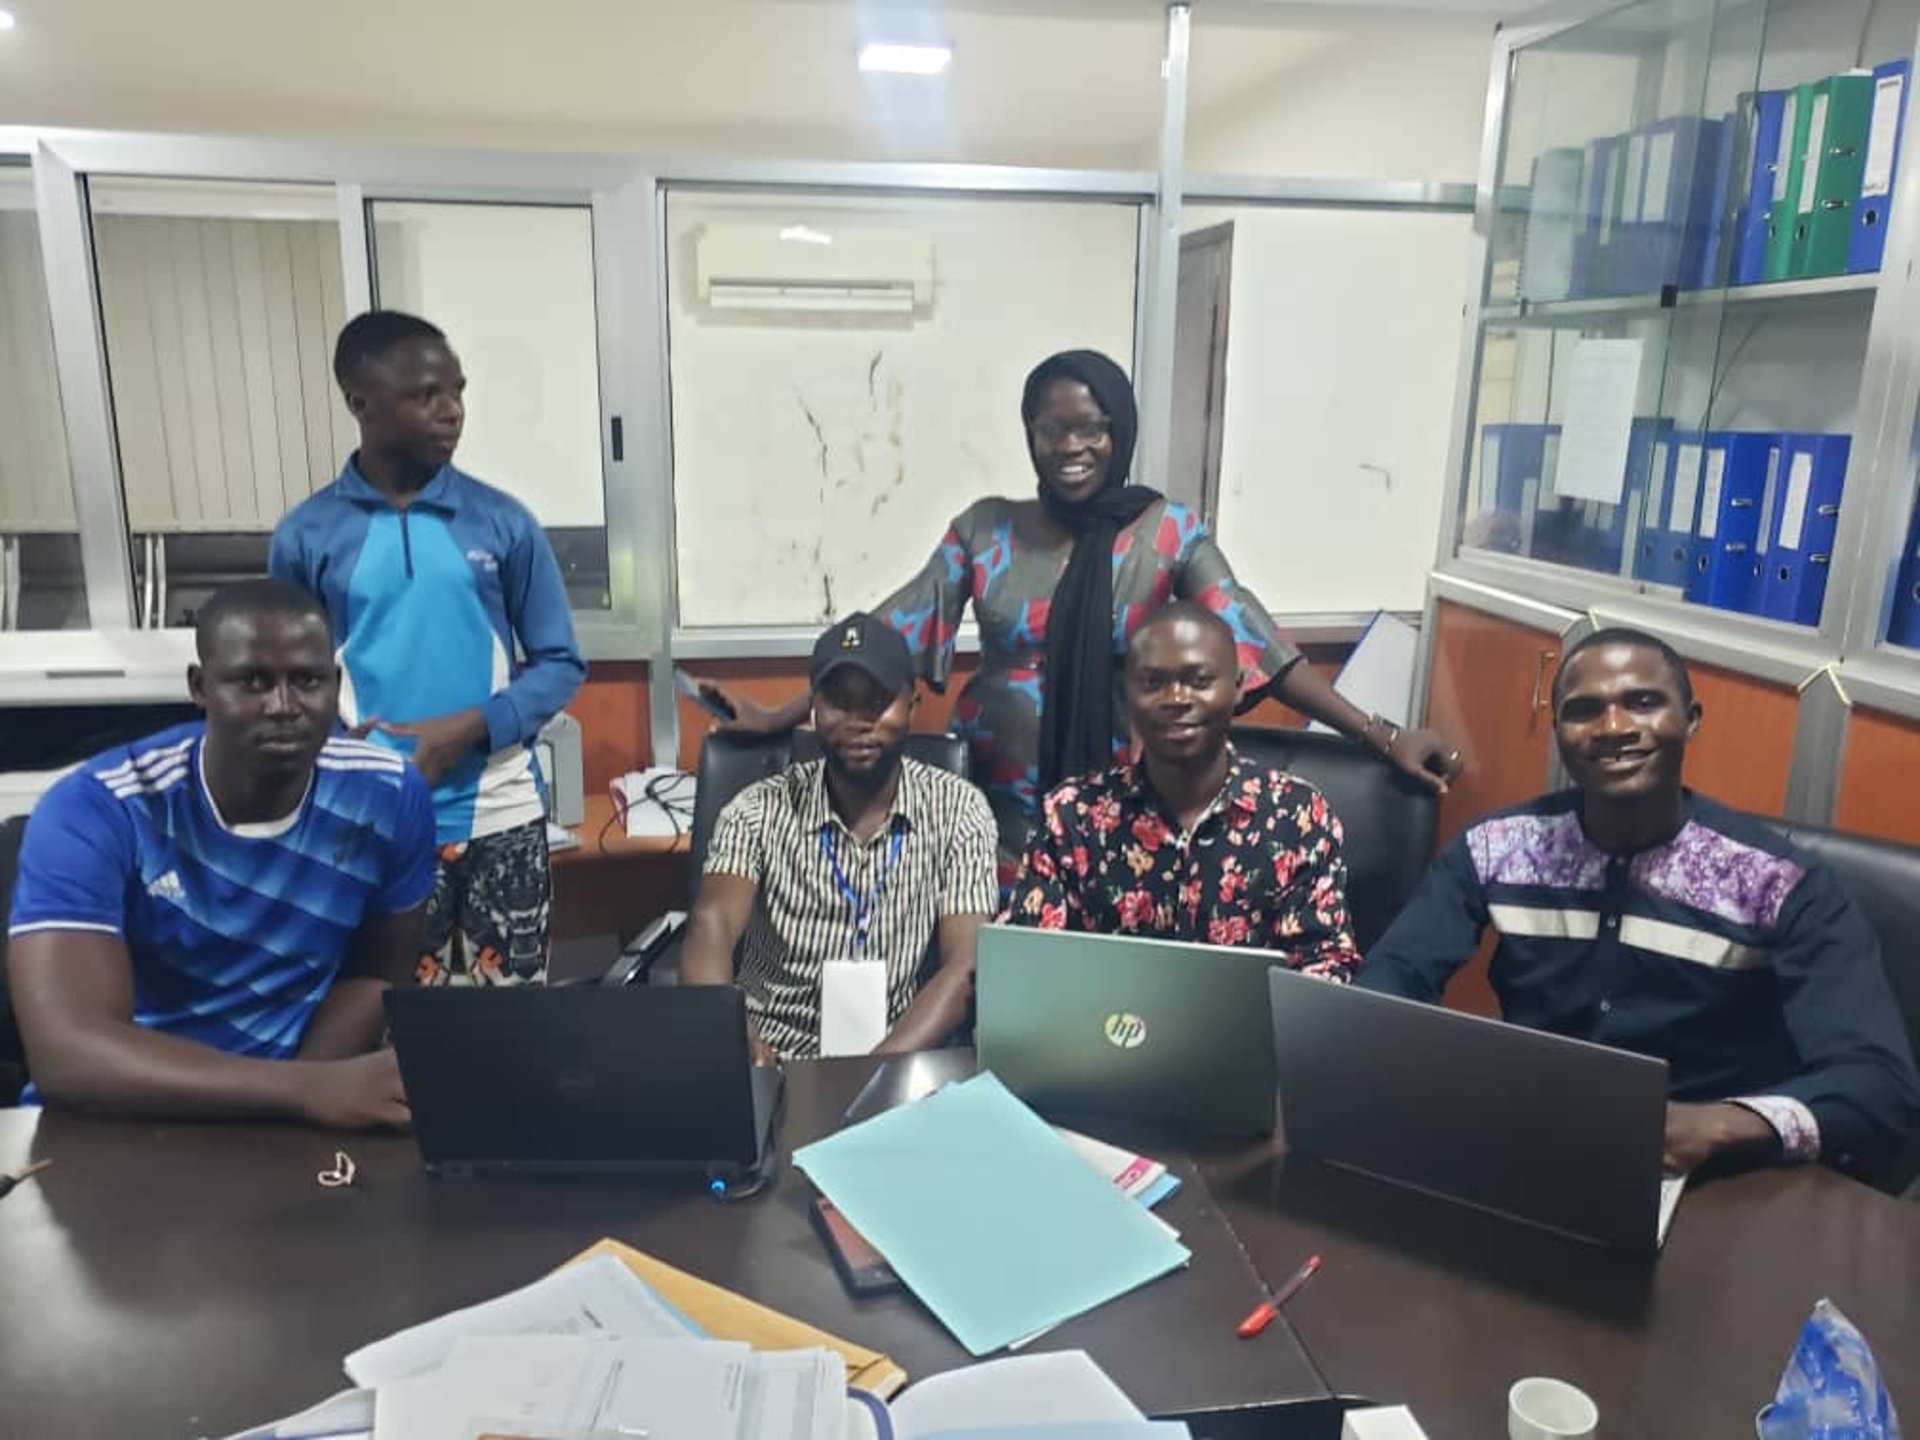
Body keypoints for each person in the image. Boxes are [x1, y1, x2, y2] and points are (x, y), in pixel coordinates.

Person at [704, 349, 1462, 886]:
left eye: (1091, 427)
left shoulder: (1166, 531)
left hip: (1121, 795)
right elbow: (882, 642)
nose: (1070, 447)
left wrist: (1382, 736)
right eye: (1050, 429)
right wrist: (781, 716)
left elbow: (1258, 641)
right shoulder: (985, 529)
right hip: (991, 796)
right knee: (991, 966)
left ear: (1119, 430)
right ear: (1029, 435)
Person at [1360, 626, 1920, 1177]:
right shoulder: (1496, 849)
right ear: (1557, 730)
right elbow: (1392, 978)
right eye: (1584, 710)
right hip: (1532, 1144)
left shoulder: (1779, 882)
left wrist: (1720, 1127)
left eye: (1644, 702)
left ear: (1691, 721)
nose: (1614, 727)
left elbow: (1879, 1084)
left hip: (1716, 1176)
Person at [6, 580, 436, 1128]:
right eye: (253, 681)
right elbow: (69, 1055)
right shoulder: (100, 807)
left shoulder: (389, 796)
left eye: (307, 680)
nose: (284, 706)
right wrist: (303, 1091)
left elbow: (376, 974)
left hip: (291, 1110)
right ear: (200, 686)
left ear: (336, 685)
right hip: (118, 1116)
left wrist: (301, 1107)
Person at [270, 310, 585, 987]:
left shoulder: (503, 522)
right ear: (361, 403)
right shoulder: (308, 534)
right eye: (425, 396)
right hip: (369, 822)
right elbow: (289, 681)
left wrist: (469, 729)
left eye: (457, 392)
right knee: (384, 1030)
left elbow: (561, 663)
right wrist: (339, 758)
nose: (451, 412)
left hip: (502, 815)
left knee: (512, 1037)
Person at [681, 613, 999, 1062]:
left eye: (879, 701)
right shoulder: (757, 809)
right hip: (778, 1057)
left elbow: (966, 964)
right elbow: (711, 923)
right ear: (814, 709)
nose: (859, 721)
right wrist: (738, 1041)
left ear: (912, 704)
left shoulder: (958, 810)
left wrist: (867, 1077)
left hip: (903, 1058)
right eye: (839, 702)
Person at [1001, 602, 1361, 979]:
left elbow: (1327, 963)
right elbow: (1029, 964)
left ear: (1238, 687)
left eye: (1199, 680)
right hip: (1096, 1035)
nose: (1176, 698)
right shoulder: (1071, 816)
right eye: (1153, 682)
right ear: (1127, 692)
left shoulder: (1297, 815)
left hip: (1257, 1037)